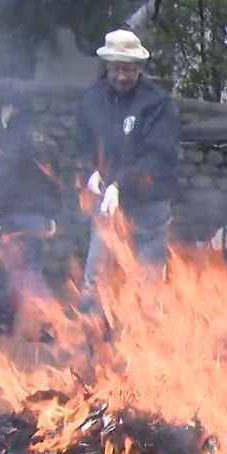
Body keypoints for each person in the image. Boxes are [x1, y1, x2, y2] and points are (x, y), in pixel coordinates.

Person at [77, 29, 180, 310]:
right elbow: (82, 142)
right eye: (116, 69)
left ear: (139, 68)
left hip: (149, 205)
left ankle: (142, 342)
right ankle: (94, 340)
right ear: (107, 67)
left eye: (128, 69)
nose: (121, 76)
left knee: (147, 280)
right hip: (108, 207)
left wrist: (120, 184)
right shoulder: (93, 99)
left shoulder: (157, 104)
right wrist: (91, 171)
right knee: (96, 275)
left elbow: (160, 155)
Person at [0, 91, 60, 339]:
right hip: (37, 215)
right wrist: (50, 214)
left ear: (12, 108)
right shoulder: (44, 139)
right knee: (18, 268)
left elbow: (6, 173)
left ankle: (47, 324)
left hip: (17, 214)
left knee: (27, 271)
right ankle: (5, 320)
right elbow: (54, 179)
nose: (1, 115)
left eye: (4, 109)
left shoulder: (13, 137)